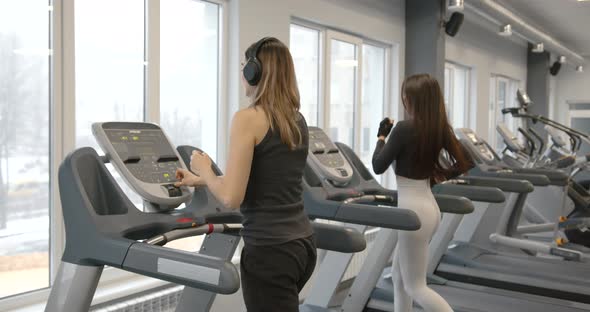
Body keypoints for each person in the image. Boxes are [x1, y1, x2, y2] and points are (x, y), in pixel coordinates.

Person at [175, 37, 316, 312]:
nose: (242, 73)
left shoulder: (247, 118)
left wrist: (205, 167)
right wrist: (200, 180)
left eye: (243, 66)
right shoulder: (296, 120)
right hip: (302, 246)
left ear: (254, 72)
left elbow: (231, 198)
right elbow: (265, 178)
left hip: (270, 251)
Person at [372, 73, 471, 312]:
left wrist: (381, 136)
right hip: (429, 208)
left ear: (411, 99)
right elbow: (465, 162)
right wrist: (438, 177)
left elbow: (378, 165)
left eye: (405, 95)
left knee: (416, 286)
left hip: (413, 213)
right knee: (398, 277)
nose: (404, 99)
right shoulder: (439, 129)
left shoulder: (404, 129)